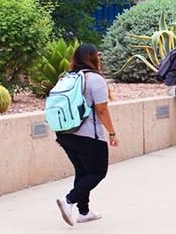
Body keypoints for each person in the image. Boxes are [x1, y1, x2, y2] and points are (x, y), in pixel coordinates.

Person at [54, 44, 119, 226]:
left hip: (65, 133)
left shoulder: (66, 77)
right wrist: (112, 133)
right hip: (89, 135)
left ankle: (84, 212)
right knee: (98, 172)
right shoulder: (95, 79)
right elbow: (102, 109)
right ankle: (69, 200)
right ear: (92, 58)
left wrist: (59, 132)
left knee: (83, 172)